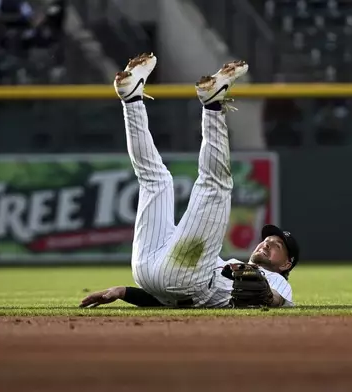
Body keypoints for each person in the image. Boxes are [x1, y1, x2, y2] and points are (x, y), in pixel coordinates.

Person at [80, 53, 299, 309]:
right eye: (267, 240)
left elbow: (280, 300)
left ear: (286, 264)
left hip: (178, 278)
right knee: (155, 179)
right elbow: (168, 292)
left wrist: (268, 296)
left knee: (215, 186)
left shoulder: (276, 279)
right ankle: (131, 99)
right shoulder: (223, 262)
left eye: (276, 246)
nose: (266, 243)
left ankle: (213, 106)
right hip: (148, 271)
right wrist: (123, 292)